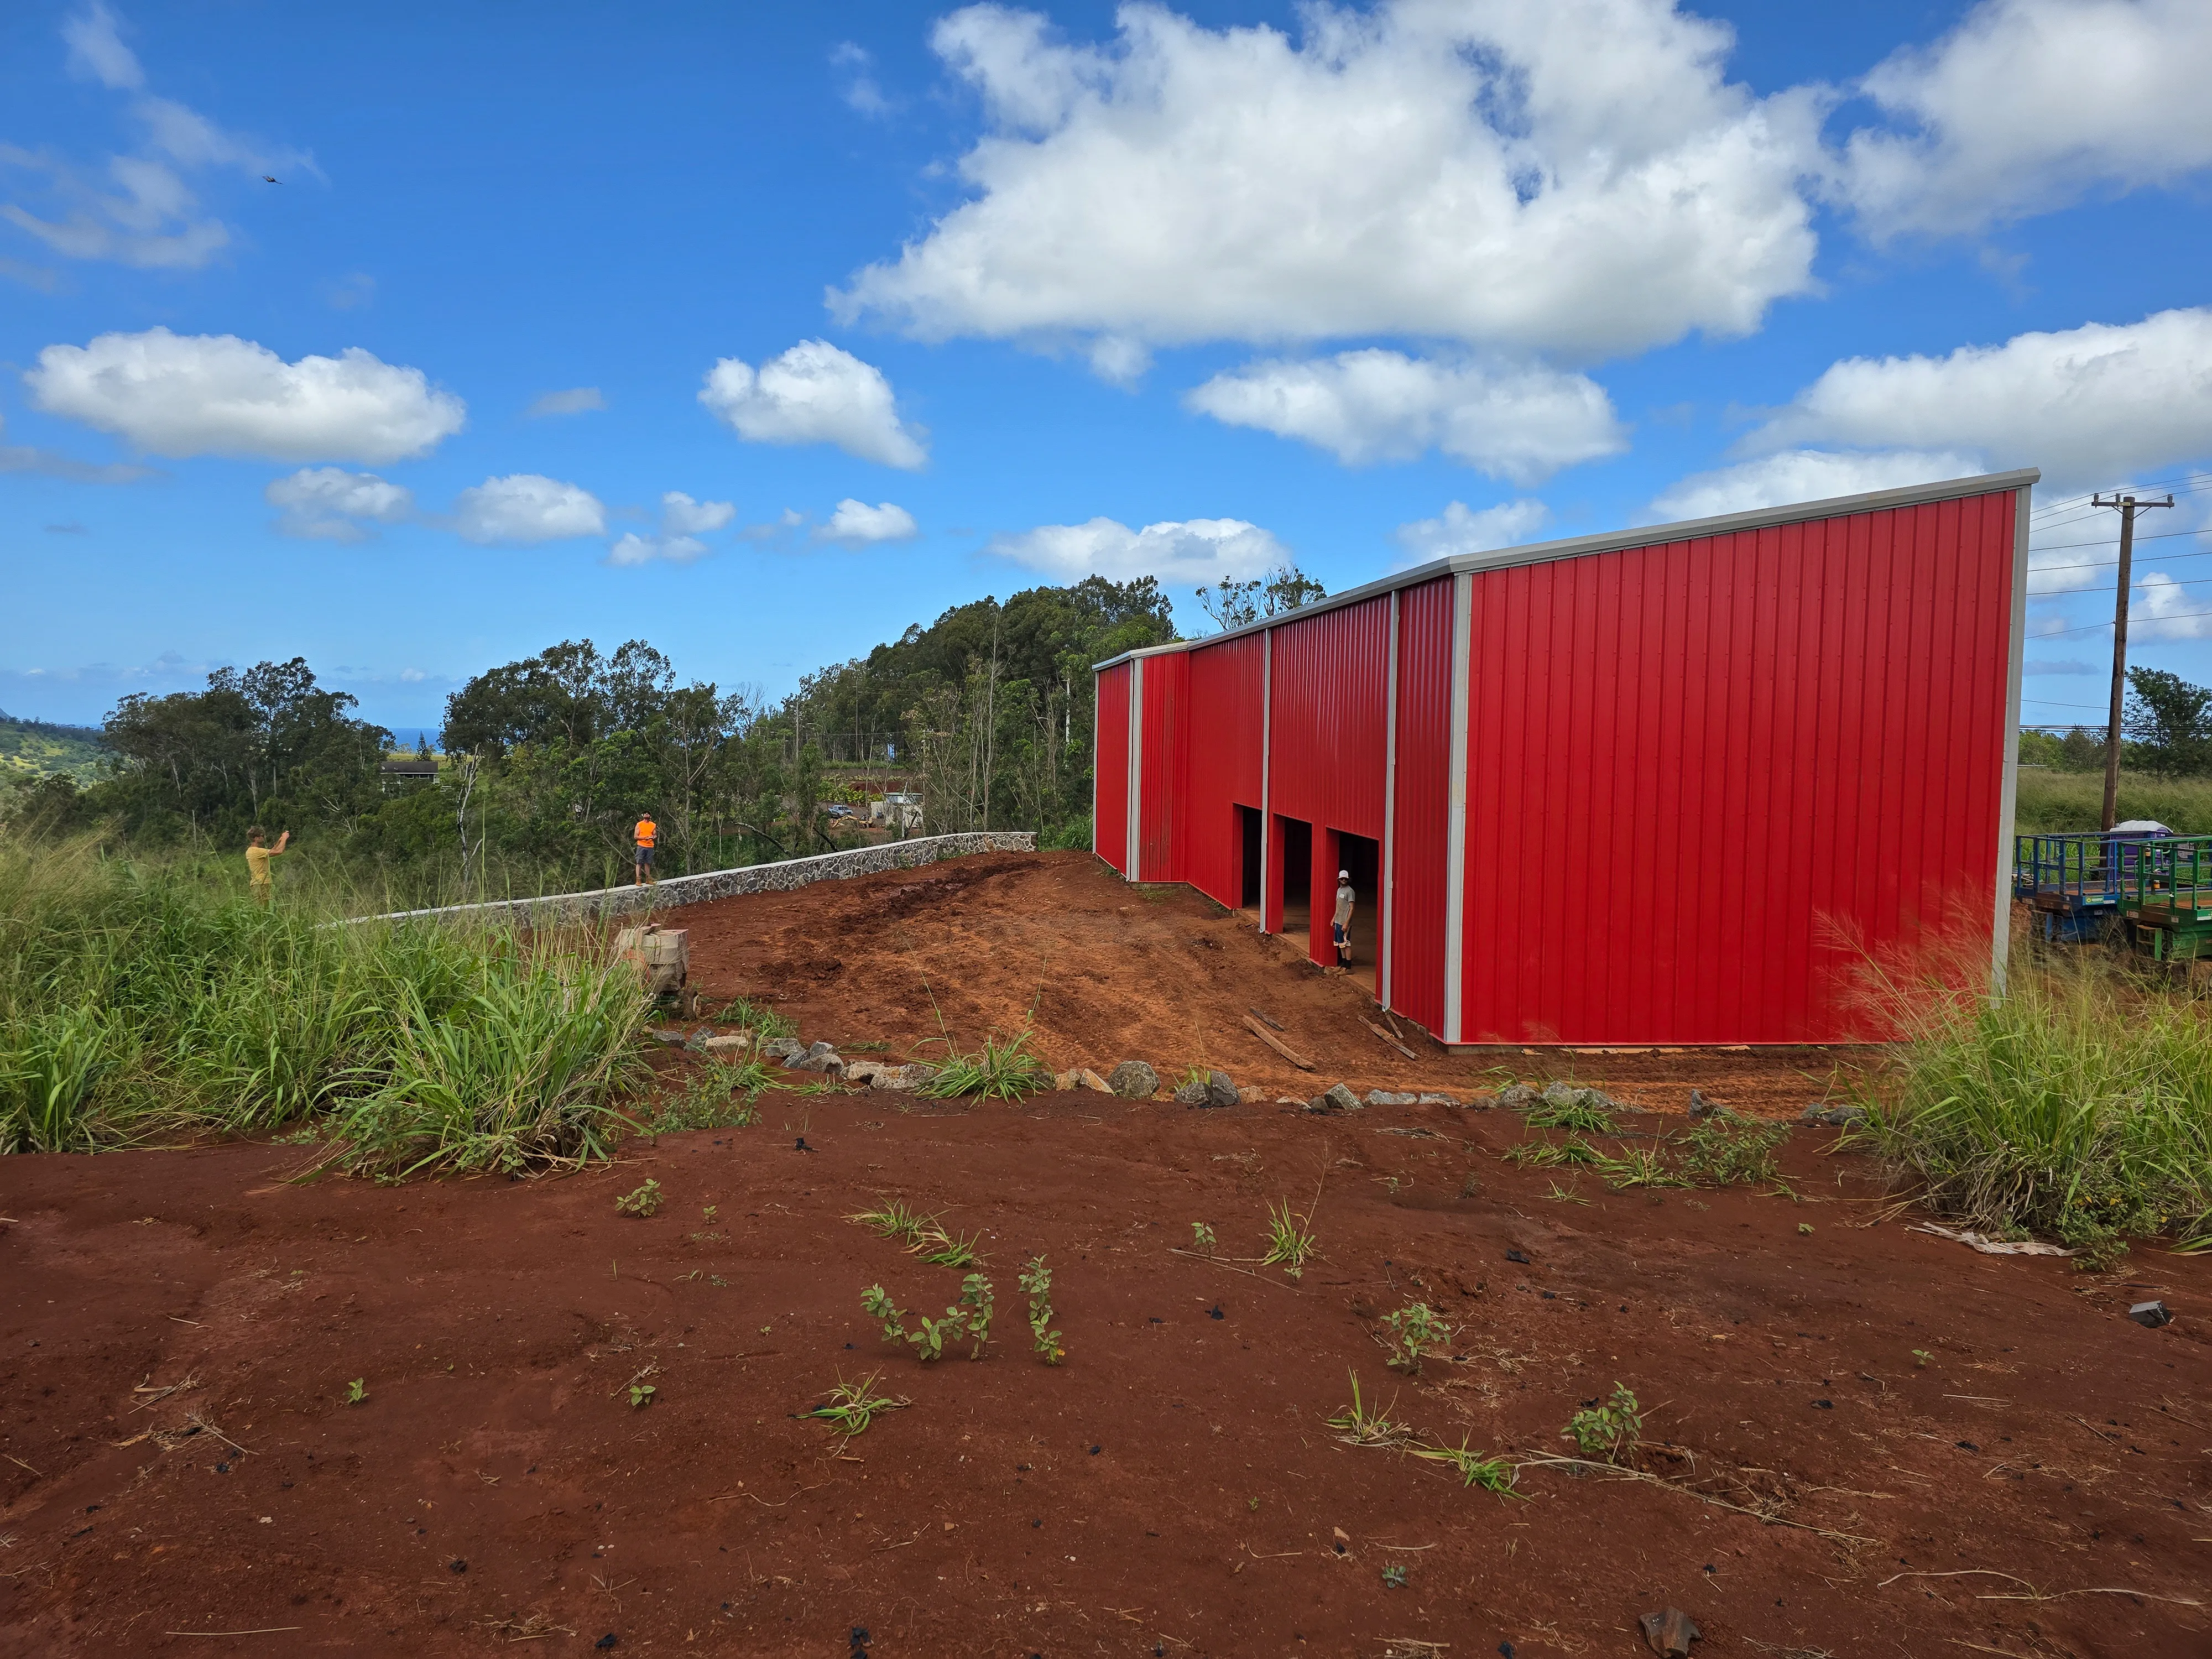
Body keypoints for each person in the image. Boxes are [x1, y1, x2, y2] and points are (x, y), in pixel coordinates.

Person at [245, 826, 290, 905]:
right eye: (262, 836)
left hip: (258, 884)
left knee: (262, 909)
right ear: (256, 838)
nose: (263, 838)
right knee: (265, 908)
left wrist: (280, 841)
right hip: (262, 883)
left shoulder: (252, 851)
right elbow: (279, 851)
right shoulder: (256, 851)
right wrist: (284, 838)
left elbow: (273, 851)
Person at [1332, 868, 1355, 966]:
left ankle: (1348, 967)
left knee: (1347, 944)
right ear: (1339, 879)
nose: (1344, 881)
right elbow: (1338, 906)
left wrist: (1347, 923)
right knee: (1341, 944)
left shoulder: (1350, 892)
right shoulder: (1339, 890)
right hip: (1338, 921)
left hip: (1345, 922)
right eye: (1342, 879)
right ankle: (1344, 964)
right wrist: (1334, 918)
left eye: (1345, 879)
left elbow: (1352, 908)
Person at [633, 812, 658, 886]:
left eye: (648, 813)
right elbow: (636, 836)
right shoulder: (639, 824)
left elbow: (655, 834)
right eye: (645, 813)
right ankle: (638, 880)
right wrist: (644, 838)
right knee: (639, 863)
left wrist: (654, 837)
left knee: (648, 863)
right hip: (641, 846)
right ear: (643, 815)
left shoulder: (653, 825)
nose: (646, 814)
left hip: (650, 846)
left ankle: (648, 880)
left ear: (650, 816)